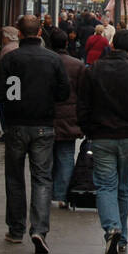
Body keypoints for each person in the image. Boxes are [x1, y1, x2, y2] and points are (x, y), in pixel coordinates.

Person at [0, 14, 70, 254]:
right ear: (39, 33)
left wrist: (14, 100)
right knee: (42, 178)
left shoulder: (10, 59)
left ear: (19, 33)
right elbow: (64, 93)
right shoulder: (53, 59)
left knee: (15, 177)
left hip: (16, 124)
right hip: (43, 125)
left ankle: (16, 230)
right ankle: (39, 229)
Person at [77, 28, 128, 254]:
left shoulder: (94, 69)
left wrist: (87, 129)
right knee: (124, 187)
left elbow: (83, 104)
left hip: (102, 135)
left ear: (111, 45)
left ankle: (112, 228)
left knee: (105, 186)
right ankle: (121, 236)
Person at [50, 28, 85, 207]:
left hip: (47, 116)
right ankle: (62, 195)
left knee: (45, 157)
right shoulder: (77, 65)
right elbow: (83, 93)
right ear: (66, 43)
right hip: (70, 118)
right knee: (66, 156)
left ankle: (44, 193)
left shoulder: (46, 62)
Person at [0, 26, 19, 138]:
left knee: (4, 108)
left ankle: (6, 132)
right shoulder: (17, 46)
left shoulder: (8, 49)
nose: (2, 39)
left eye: (3, 36)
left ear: (7, 37)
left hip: (8, 84)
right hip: (15, 85)